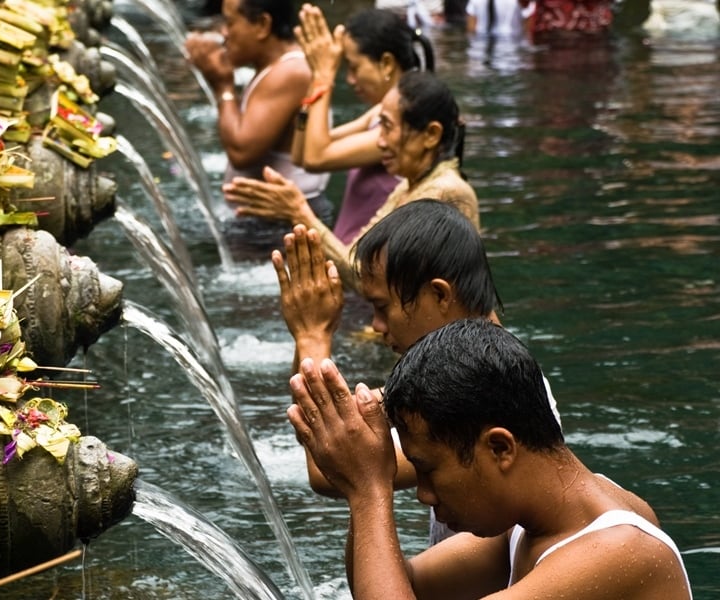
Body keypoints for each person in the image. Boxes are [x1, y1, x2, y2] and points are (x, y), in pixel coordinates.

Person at [287, 318, 693, 599]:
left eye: (427, 469)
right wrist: (367, 470)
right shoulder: (532, 525)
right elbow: (401, 585)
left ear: (500, 448)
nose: (423, 495)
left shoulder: (618, 552)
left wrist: (368, 490)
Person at [273, 200, 545, 545]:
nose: (377, 326)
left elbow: (332, 470)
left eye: (383, 307)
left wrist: (312, 335)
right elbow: (342, 428)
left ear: (439, 294)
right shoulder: (467, 374)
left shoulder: (485, 396)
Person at [225, 70, 478, 290]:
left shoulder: (446, 192)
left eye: (387, 127)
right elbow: (360, 259)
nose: (379, 141)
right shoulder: (410, 184)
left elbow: (366, 279)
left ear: (431, 135)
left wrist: (299, 212)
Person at [184, 0, 333, 237]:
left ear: (263, 25)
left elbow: (242, 152)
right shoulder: (276, 66)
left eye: (230, 22)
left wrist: (223, 86)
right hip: (269, 220)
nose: (224, 33)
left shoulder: (289, 72)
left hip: (279, 225)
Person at [291, 5, 435, 245]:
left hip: (365, 271)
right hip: (349, 264)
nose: (350, 79)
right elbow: (301, 153)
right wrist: (316, 78)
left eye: (355, 67)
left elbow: (316, 158)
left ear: (387, 63)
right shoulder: (379, 114)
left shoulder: (405, 125)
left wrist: (323, 77)